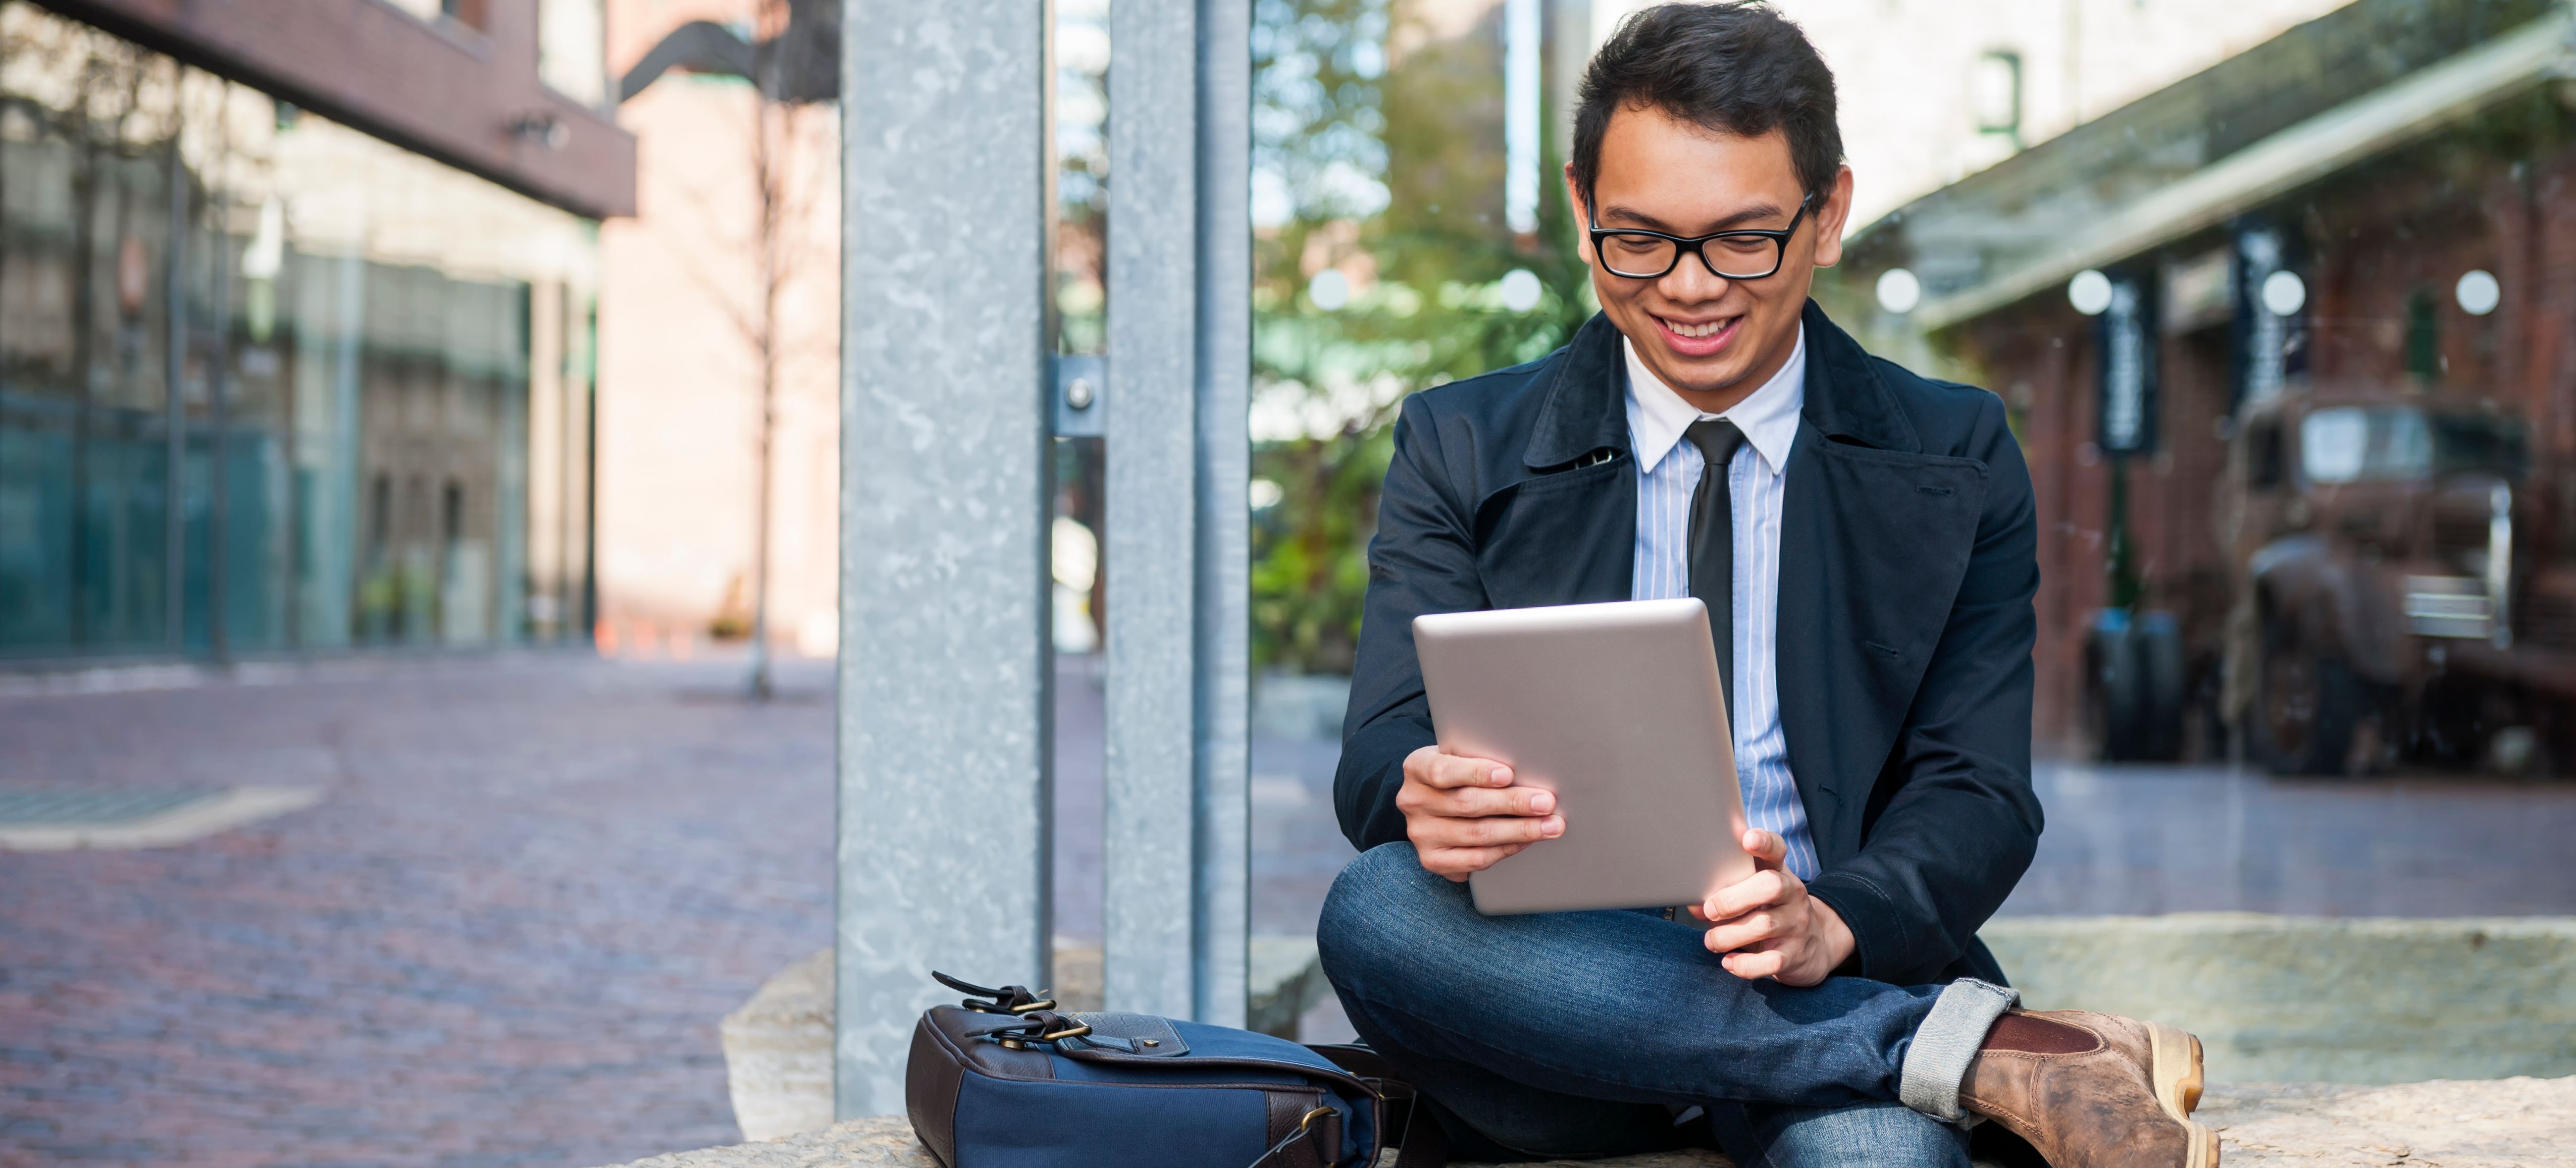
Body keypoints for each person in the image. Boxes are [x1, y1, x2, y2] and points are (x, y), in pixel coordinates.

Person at [1314, 5, 2216, 1167]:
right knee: (1379, 907)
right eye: (1640, 240)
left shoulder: (1956, 453)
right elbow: (1380, 753)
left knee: (1878, 1163)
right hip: (1559, 1003)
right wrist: (1421, 794)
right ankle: (1975, 1058)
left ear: (1828, 213)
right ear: (1584, 212)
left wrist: (1837, 918)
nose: (1690, 290)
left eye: (1744, 240)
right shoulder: (1461, 444)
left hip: (1835, 962)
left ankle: (1860, 1041)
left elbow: (1978, 790)